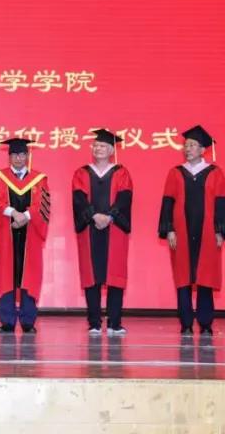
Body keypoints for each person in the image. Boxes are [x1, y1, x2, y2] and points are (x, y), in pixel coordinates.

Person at [158, 125, 225, 336]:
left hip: (208, 231)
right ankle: (185, 323)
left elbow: (222, 202)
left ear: (203, 150)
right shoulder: (175, 172)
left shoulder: (215, 172)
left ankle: (206, 323)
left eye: (192, 145)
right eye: (186, 145)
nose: (188, 149)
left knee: (205, 277)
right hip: (181, 232)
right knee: (182, 277)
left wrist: (220, 231)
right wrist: (169, 229)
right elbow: (168, 202)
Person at [72, 128, 133, 336]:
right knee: (92, 275)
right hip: (90, 228)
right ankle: (94, 323)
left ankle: (115, 323)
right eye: (96, 145)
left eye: (103, 146)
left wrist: (110, 216)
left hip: (114, 228)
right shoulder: (81, 172)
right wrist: (94, 216)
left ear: (111, 151)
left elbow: (124, 198)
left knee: (115, 275)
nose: (98, 148)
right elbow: (79, 198)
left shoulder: (121, 172)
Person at [0, 137, 51, 333]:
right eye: (14, 154)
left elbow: (42, 204)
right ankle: (7, 321)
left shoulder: (40, 179)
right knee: (6, 274)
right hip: (6, 235)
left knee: (29, 275)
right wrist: (14, 213)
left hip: (30, 234)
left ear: (27, 156)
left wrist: (26, 216)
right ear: (9, 156)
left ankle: (27, 321)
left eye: (22, 154)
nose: (18, 158)